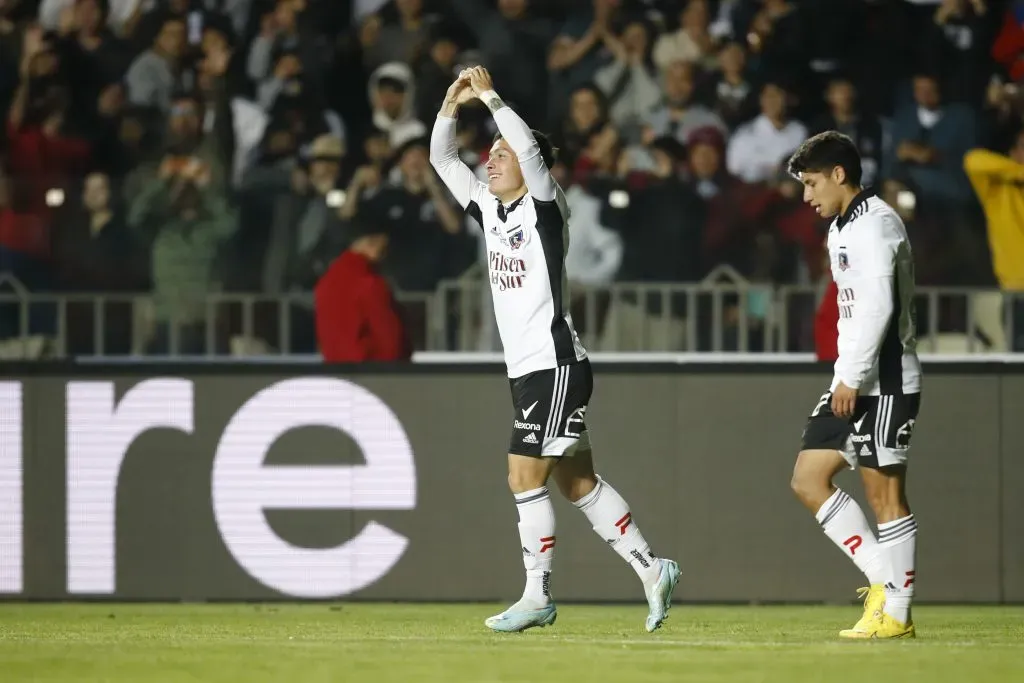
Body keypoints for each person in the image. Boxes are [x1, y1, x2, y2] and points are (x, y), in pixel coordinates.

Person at [429, 66, 680, 634]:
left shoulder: (545, 205)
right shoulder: (489, 209)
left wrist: (491, 95)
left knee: (523, 477)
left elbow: (524, 148)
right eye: (487, 155)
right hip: (529, 371)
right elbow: (443, 160)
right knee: (578, 485)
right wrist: (450, 103)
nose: (489, 161)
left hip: (555, 365)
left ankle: (536, 595)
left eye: (500, 154)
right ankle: (652, 568)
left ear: (527, 163)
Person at [787, 131, 922, 639]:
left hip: (884, 380)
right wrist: (845, 376)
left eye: (812, 183)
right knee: (807, 477)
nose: (807, 196)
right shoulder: (842, 226)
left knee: (883, 493)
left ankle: (898, 614)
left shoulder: (876, 224)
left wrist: (850, 375)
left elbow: (879, 309)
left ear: (839, 175)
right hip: (854, 379)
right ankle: (882, 583)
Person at [313, 218, 411, 363]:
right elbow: (391, 345)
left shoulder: (325, 283)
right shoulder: (370, 284)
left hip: (335, 373)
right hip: (371, 374)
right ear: (373, 242)